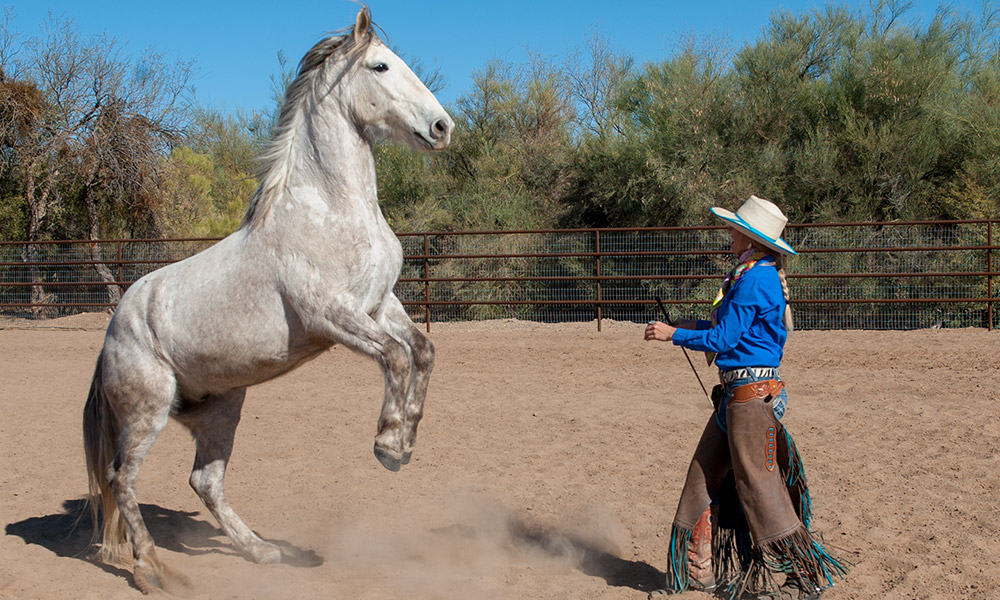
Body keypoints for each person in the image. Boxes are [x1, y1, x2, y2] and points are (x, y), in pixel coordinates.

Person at [643, 196, 847, 599]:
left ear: (751, 239)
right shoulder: (753, 275)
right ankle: (698, 570)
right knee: (703, 476)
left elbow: (725, 338)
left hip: (749, 400)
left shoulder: (755, 279)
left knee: (759, 487)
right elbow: (740, 331)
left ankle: (804, 578)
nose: (730, 234)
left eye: (735, 229)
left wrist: (674, 334)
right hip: (739, 395)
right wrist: (689, 324)